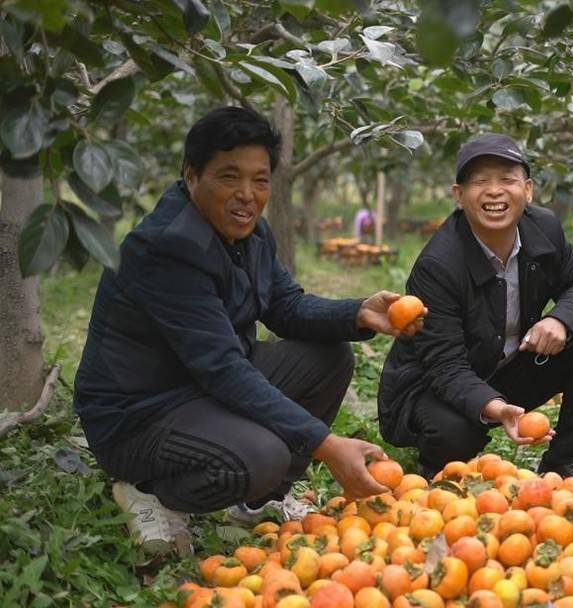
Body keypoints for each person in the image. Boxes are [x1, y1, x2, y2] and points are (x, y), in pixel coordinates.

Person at [73, 106, 421, 556]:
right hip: (138, 414)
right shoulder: (168, 248)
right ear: (192, 175)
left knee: (328, 357)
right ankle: (148, 490)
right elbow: (222, 369)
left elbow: (285, 306)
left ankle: (258, 503)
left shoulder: (251, 234)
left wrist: (358, 313)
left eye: (260, 180)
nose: (247, 195)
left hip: (197, 386)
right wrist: (326, 444)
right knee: (263, 456)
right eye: (229, 177)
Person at [378, 133, 573, 482]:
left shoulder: (543, 229)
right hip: (432, 385)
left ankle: (564, 464)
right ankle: (440, 471)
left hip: (504, 366)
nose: (495, 191)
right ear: (459, 197)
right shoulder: (438, 266)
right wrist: (497, 409)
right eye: (480, 182)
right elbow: (446, 367)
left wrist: (561, 320)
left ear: (528, 190)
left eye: (507, 179)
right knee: (455, 435)